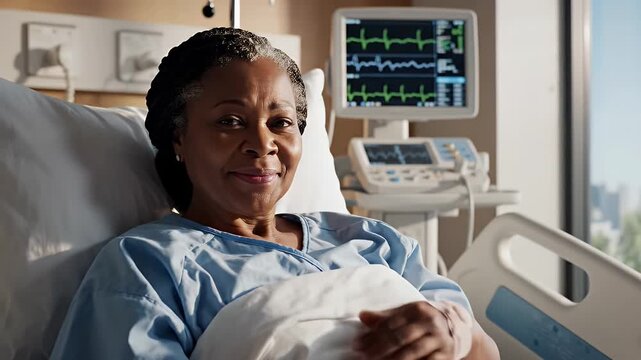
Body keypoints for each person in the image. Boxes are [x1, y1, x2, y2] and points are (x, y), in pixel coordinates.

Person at [51, 27, 499, 359]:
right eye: (230, 121)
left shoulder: (374, 241)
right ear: (178, 138)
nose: (262, 143)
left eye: (281, 122)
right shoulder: (148, 266)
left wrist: (451, 332)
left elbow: (483, 350)